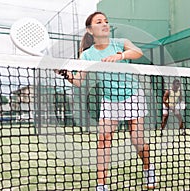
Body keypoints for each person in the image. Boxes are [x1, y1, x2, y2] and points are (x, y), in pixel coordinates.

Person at [55, 11, 156, 191]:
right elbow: (78, 81)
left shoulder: (120, 43)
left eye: (106, 21)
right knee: (103, 139)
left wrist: (120, 56)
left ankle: (149, 169)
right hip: (110, 100)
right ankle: (101, 185)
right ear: (90, 30)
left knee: (137, 140)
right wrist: (67, 75)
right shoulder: (87, 55)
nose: (104, 24)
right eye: (99, 21)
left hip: (132, 96)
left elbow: (138, 52)